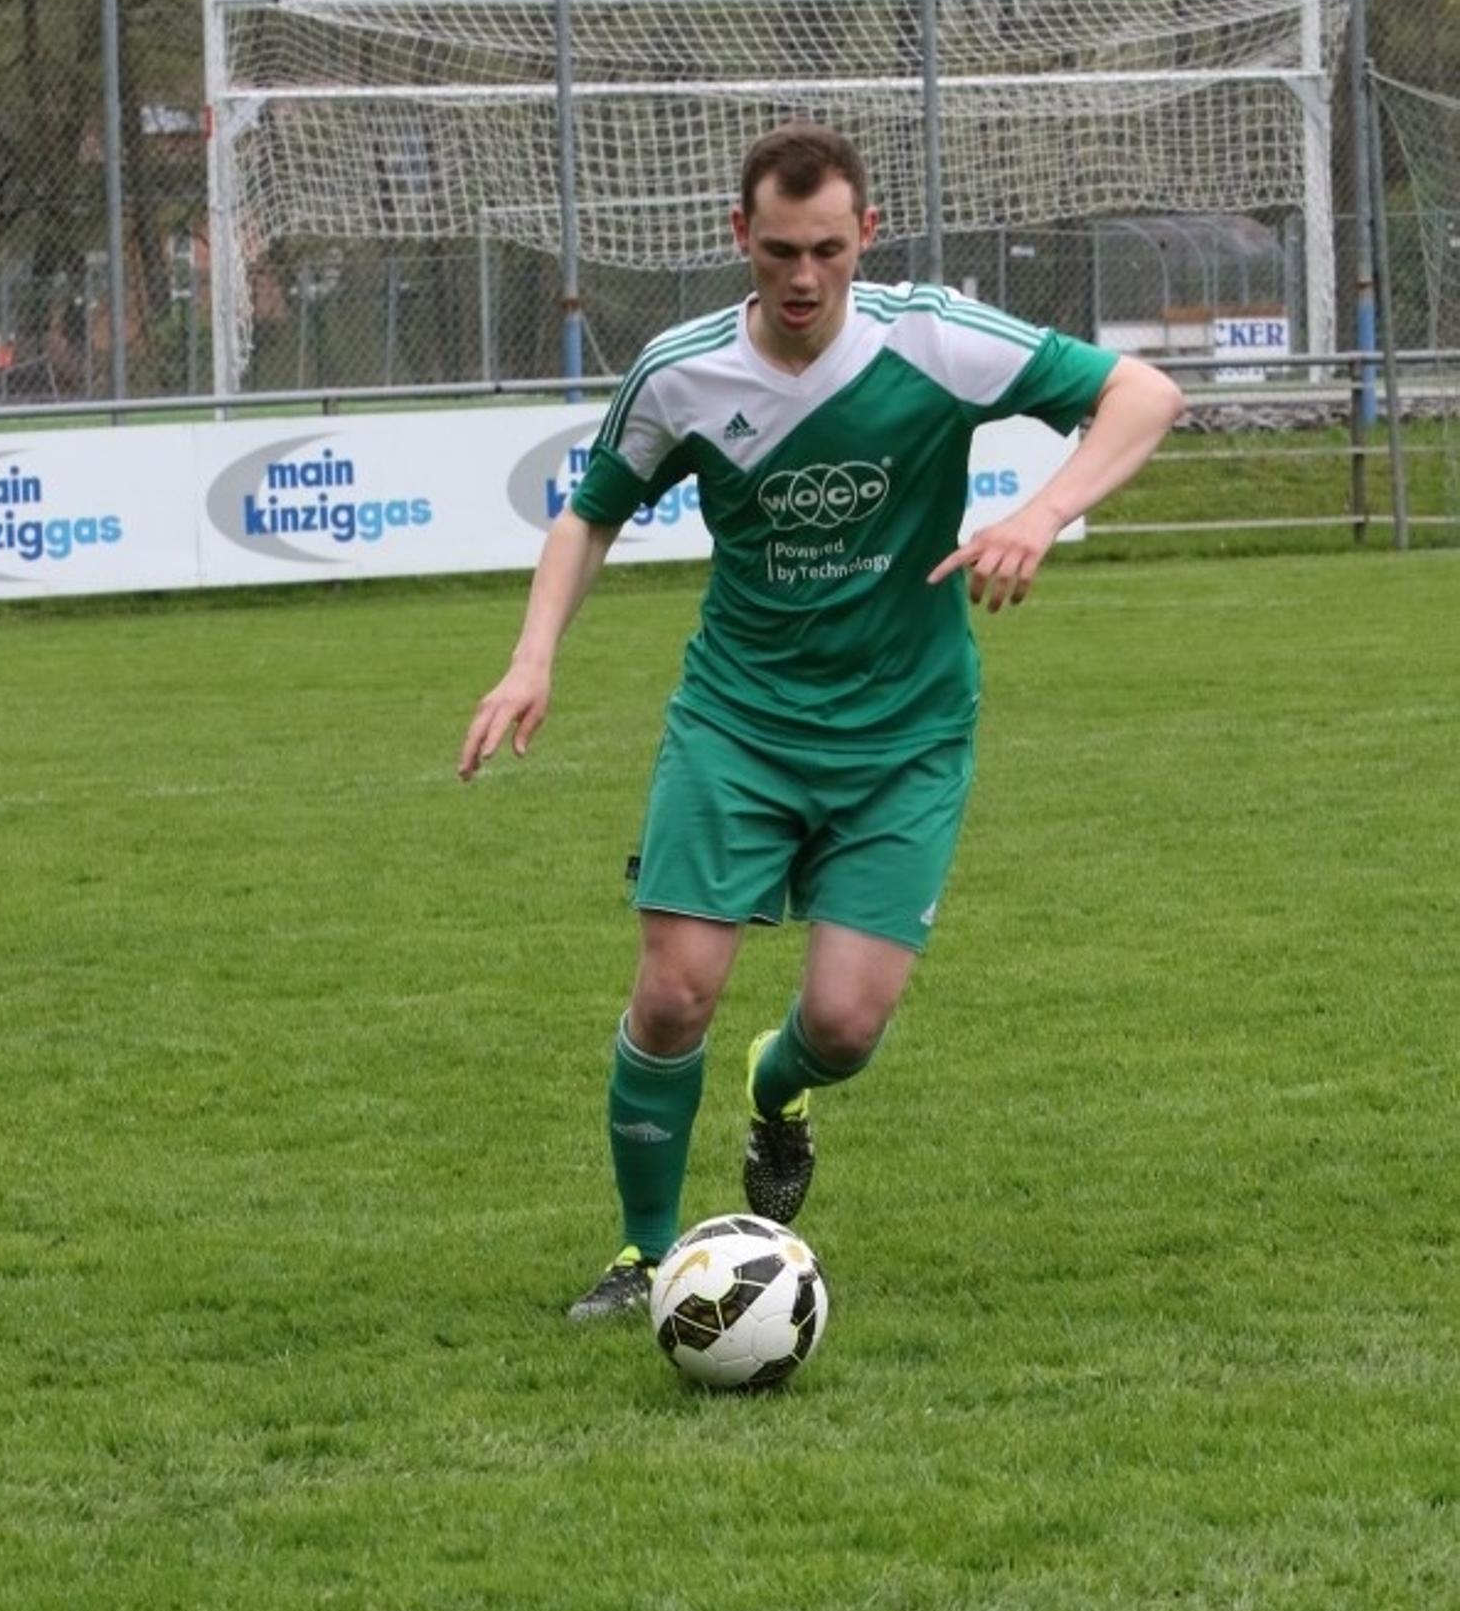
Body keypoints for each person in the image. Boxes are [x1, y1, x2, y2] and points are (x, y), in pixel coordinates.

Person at [457, 123, 1185, 1318]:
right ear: (739, 235)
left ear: (867, 236)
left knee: (843, 1026)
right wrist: (530, 660)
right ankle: (645, 1256)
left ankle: (775, 1086)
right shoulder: (683, 373)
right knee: (673, 991)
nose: (804, 278)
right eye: (780, 251)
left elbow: (1144, 394)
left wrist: (1041, 514)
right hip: (738, 724)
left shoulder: (932, 339)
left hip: (903, 736)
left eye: (829, 251)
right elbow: (590, 514)